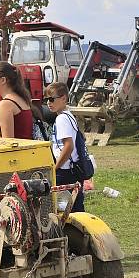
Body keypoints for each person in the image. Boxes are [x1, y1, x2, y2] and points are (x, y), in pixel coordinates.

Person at [45, 82, 84, 212]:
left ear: (64, 98)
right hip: (73, 168)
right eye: (46, 100)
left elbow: (68, 146)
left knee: (64, 209)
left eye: (52, 99)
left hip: (66, 170)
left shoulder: (61, 118)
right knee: (75, 207)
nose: (49, 103)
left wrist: (55, 168)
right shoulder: (68, 115)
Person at [0, 61, 36, 139]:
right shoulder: (21, 99)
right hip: (28, 149)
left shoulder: (6, 104)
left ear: (3, 80)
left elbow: (8, 142)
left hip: (18, 150)